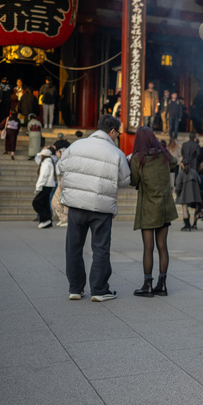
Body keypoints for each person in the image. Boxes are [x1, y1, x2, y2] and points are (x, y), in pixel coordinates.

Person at [59, 114, 131, 302]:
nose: (117, 136)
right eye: (118, 133)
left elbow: (61, 167)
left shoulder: (76, 145)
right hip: (101, 207)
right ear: (112, 131)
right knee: (100, 248)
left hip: (76, 204)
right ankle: (99, 289)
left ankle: (75, 288)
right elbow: (125, 180)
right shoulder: (116, 152)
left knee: (73, 247)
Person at [130, 127, 178, 297]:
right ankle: (162, 285)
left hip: (149, 207)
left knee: (148, 247)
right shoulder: (164, 155)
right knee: (163, 246)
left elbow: (134, 180)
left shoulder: (138, 159)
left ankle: (147, 285)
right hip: (165, 206)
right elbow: (175, 163)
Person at [175, 158, 201, 231]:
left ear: (182, 164)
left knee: (184, 208)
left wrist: (178, 192)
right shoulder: (194, 172)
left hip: (184, 194)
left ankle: (187, 225)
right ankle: (194, 224)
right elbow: (199, 181)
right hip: (194, 193)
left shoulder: (181, 173)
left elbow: (178, 185)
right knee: (196, 208)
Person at [32, 148, 55, 228]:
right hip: (49, 185)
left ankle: (46, 219)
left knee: (36, 202)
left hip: (45, 186)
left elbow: (43, 176)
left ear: (43, 156)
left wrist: (38, 187)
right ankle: (46, 220)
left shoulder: (46, 163)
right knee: (45, 203)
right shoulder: (49, 162)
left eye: (41, 155)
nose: (40, 157)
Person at [51, 147, 68, 226]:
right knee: (56, 201)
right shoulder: (60, 161)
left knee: (60, 202)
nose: (57, 153)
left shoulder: (63, 161)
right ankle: (62, 218)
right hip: (60, 183)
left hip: (63, 184)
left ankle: (65, 219)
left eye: (58, 152)